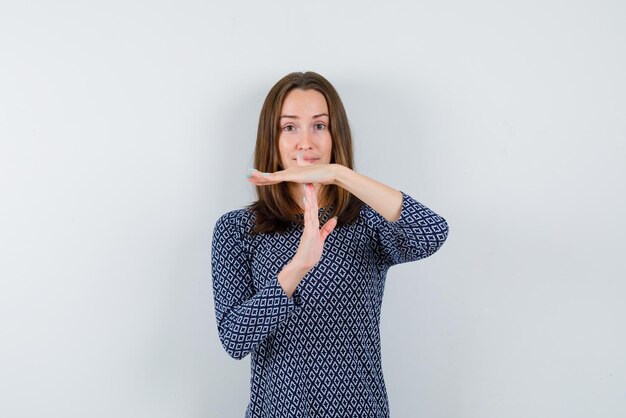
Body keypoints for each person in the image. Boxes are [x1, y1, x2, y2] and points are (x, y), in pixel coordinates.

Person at [211, 71, 449, 418]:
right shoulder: (237, 230)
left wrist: (339, 174)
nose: (305, 142)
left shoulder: (367, 220)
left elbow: (432, 232)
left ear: (336, 135)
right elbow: (234, 339)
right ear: (272, 138)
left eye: (319, 126)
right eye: (289, 127)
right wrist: (297, 268)